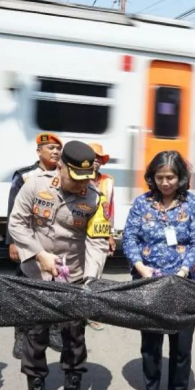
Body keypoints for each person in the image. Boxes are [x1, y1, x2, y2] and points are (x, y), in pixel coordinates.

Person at [8, 140, 110, 390]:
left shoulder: (94, 197)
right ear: (61, 166)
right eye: (74, 177)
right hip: (37, 275)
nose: (81, 185)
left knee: (74, 336)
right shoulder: (34, 184)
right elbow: (16, 223)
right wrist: (39, 254)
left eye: (85, 179)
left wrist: (90, 279)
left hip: (74, 276)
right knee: (35, 334)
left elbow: (97, 240)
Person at [122, 150, 195, 390]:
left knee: (181, 344)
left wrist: (184, 270)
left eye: (170, 177)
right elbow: (129, 239)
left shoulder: (192, 205)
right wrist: (140, 267)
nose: (165, 183)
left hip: (184, 285)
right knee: (151, 343)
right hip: (149, 284)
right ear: (152, 177)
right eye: (159, 177)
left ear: (181, 177)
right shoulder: (142, 203)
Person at [6, 132, 64, 358]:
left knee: (57, 289)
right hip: (28, 241)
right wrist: (12, 242)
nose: (56, 152)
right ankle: (21, 334)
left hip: (56, 243)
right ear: (38, 151)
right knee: (24, 292)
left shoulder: (65, 174)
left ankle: (54, 330)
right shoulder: (25, 176)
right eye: (50, 148)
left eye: (58, 149)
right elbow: (13, 210)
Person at [84, 142, 116, 331]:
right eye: (92, 157)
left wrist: (111, 235)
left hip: (100, 234)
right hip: (80, 235)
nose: (96, 161)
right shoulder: (78, 177)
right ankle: (79, 311)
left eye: (99, 158)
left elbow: (110, 209)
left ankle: (91, 313)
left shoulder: (108, 180)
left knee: (95, 275)